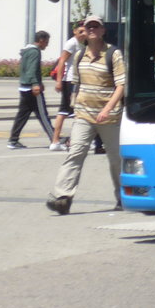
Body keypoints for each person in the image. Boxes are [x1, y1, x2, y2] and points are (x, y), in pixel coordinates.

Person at [45, 15, 125, 214]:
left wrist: (107, 109)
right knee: (75, 154)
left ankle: (123, 197)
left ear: (103, 30)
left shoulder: (113, 54)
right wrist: (75, 107)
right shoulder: (80, 56)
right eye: (88, 27)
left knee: (116, 159)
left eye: (96, 27)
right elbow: (76, 84)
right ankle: (62, 197)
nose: (91, 30)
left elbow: (121, 85)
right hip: (84, 115)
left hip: (109, 116)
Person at [8, 31, 56, 148]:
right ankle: (54, 139)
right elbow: (32, 69)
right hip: (31, 89)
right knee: (42, 115)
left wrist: (39, 82)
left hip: (24, 87)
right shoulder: (35, 52)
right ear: (41, 40)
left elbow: (27, 69)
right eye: (46, 42)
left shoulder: (26, 51)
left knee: (22, 115)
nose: (47, 45)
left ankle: (13, 140)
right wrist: (36, 84)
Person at [49, 22, 86, 151]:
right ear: (75, 31)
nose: (83, 33)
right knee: (68, 111)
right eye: (80, 31)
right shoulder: (72, 43)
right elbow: (62, 61)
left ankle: (65, 141)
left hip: (77, 80)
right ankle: (59, 141)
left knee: (73, 111)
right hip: (70, 81)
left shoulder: (83, 44)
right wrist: (59, 81)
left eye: (84, 31)